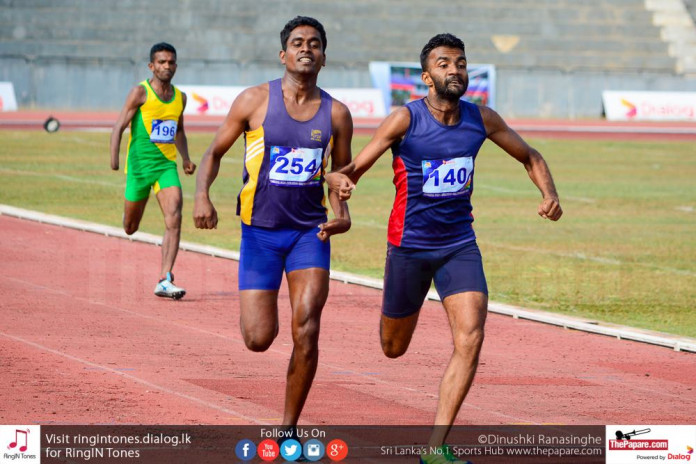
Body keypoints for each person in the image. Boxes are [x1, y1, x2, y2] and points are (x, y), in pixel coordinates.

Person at [327, 33, 563, 463]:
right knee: (392, 347)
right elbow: (351, 170)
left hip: (459, 245)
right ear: (426, 76)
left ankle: (435, 449)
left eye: (460, 63)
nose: (454, 70)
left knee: (471, 337)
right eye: (443, 64)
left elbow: (530, 156)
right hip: (409, 247)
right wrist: (338, 184)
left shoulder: (481, 119)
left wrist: (550, 193)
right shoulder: (405, 119)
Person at [193, 16, 353, 427]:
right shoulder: (253, 101)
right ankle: (259, 313)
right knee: (258, 338)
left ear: (323, 57)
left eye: (314, 43)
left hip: (309, 233)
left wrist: (342, 215)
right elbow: (213, 152)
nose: (306, 48)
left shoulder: (337, 114)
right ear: (283, 54)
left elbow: (341, 174)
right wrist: (203, 196)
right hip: (259, 234)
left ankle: (288, 427)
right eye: (298, 42)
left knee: (308, 327)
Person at [110, 42, 196, 300]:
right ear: (151, 66)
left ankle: (165, 278)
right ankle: (133, 222)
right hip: (138, 169)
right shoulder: (141, 92)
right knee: (130, 227)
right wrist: (114, 158)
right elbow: (119, 125)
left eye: (170, 62)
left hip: (165, 167)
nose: (166, 66)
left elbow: (178, 129)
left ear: (176, 66)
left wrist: (186, 158)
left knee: (175, 215)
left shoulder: (180, 97)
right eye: (161, 62)